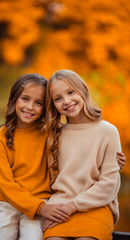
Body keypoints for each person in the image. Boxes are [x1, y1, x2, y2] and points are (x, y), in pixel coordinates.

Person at [0, 73, 125, 240]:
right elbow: (8, 183)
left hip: (73, 206)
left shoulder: (103, 131)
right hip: (33, 205)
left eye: (38, 103)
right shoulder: (48, 134)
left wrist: (112, 163)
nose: (66, 101)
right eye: (58, 98)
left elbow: (102, 176)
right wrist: (44, 208)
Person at [0, 73, 70, 240]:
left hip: (40, 201)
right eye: (25, 99)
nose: (30, 107)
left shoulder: (51, 133)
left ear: (46, 107)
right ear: (14, 99)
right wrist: (40, 208)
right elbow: (6, 185)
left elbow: (82, 141)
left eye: (38, 103)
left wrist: (110, 157)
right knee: (0, 234)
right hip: (5, 202)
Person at [42, 70, 124, 240]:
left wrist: (73, 206)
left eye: (71, 92)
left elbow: (108, 185)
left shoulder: (108, 132)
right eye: (58, 98)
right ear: (53, 104)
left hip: (97, 207)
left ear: (83, 90)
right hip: (59, 208)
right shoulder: (54, 134)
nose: (67, 101)